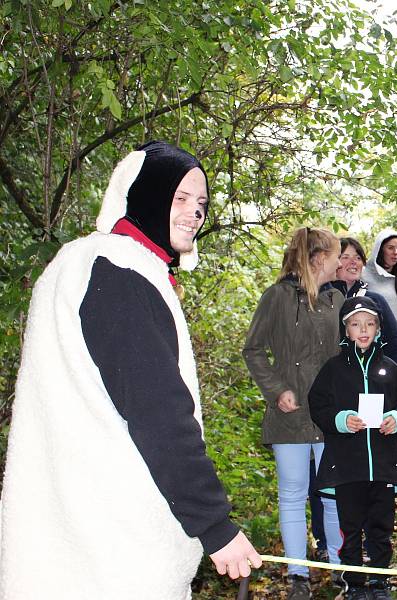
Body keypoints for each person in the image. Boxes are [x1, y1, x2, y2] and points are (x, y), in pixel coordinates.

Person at [0, 141, 261, 599]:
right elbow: (159, 415)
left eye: (201, 205)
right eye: (179, 198)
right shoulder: (120, 274)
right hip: (116, 534)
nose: (194, 214)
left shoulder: (82, 263)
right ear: (142, 194)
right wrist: (215, 526)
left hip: (72, 517)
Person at [243, 226, 344, 600]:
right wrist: (277, 390)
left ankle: (338, 568)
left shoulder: (336, 300)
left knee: (334, 493)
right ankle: (298, 575)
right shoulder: (276, 298)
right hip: (290, 414)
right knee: (292, 494)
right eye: (335, 255)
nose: (340, 262)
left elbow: (348, 354)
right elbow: (253, 350)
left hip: (331, 415)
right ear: (319, 259)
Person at [309, 296, 397, 600]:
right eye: (356, 324)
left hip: (382, 464)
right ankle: (353, 583)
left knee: (381, 526)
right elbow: (318, 406)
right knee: (350, 527)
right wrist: (341, 420)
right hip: (346, 465)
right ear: (346, 330)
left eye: (369, 324)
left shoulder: (391, 369)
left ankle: (380, 582)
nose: (363, 330)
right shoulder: (333, 369)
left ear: (379, 328)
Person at [332, 237, 397, 369]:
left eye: (357, 258)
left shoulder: (375, 301)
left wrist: (389, 381)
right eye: (345, 257)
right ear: (333, 262)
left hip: (370, 383)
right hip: (331, 382)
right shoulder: (322, 301)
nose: (353, 262)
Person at [361, 229, 397, 356]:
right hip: (372, 348)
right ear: (380, 249)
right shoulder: (363, 274)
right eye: (390, 248)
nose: (395, 253)